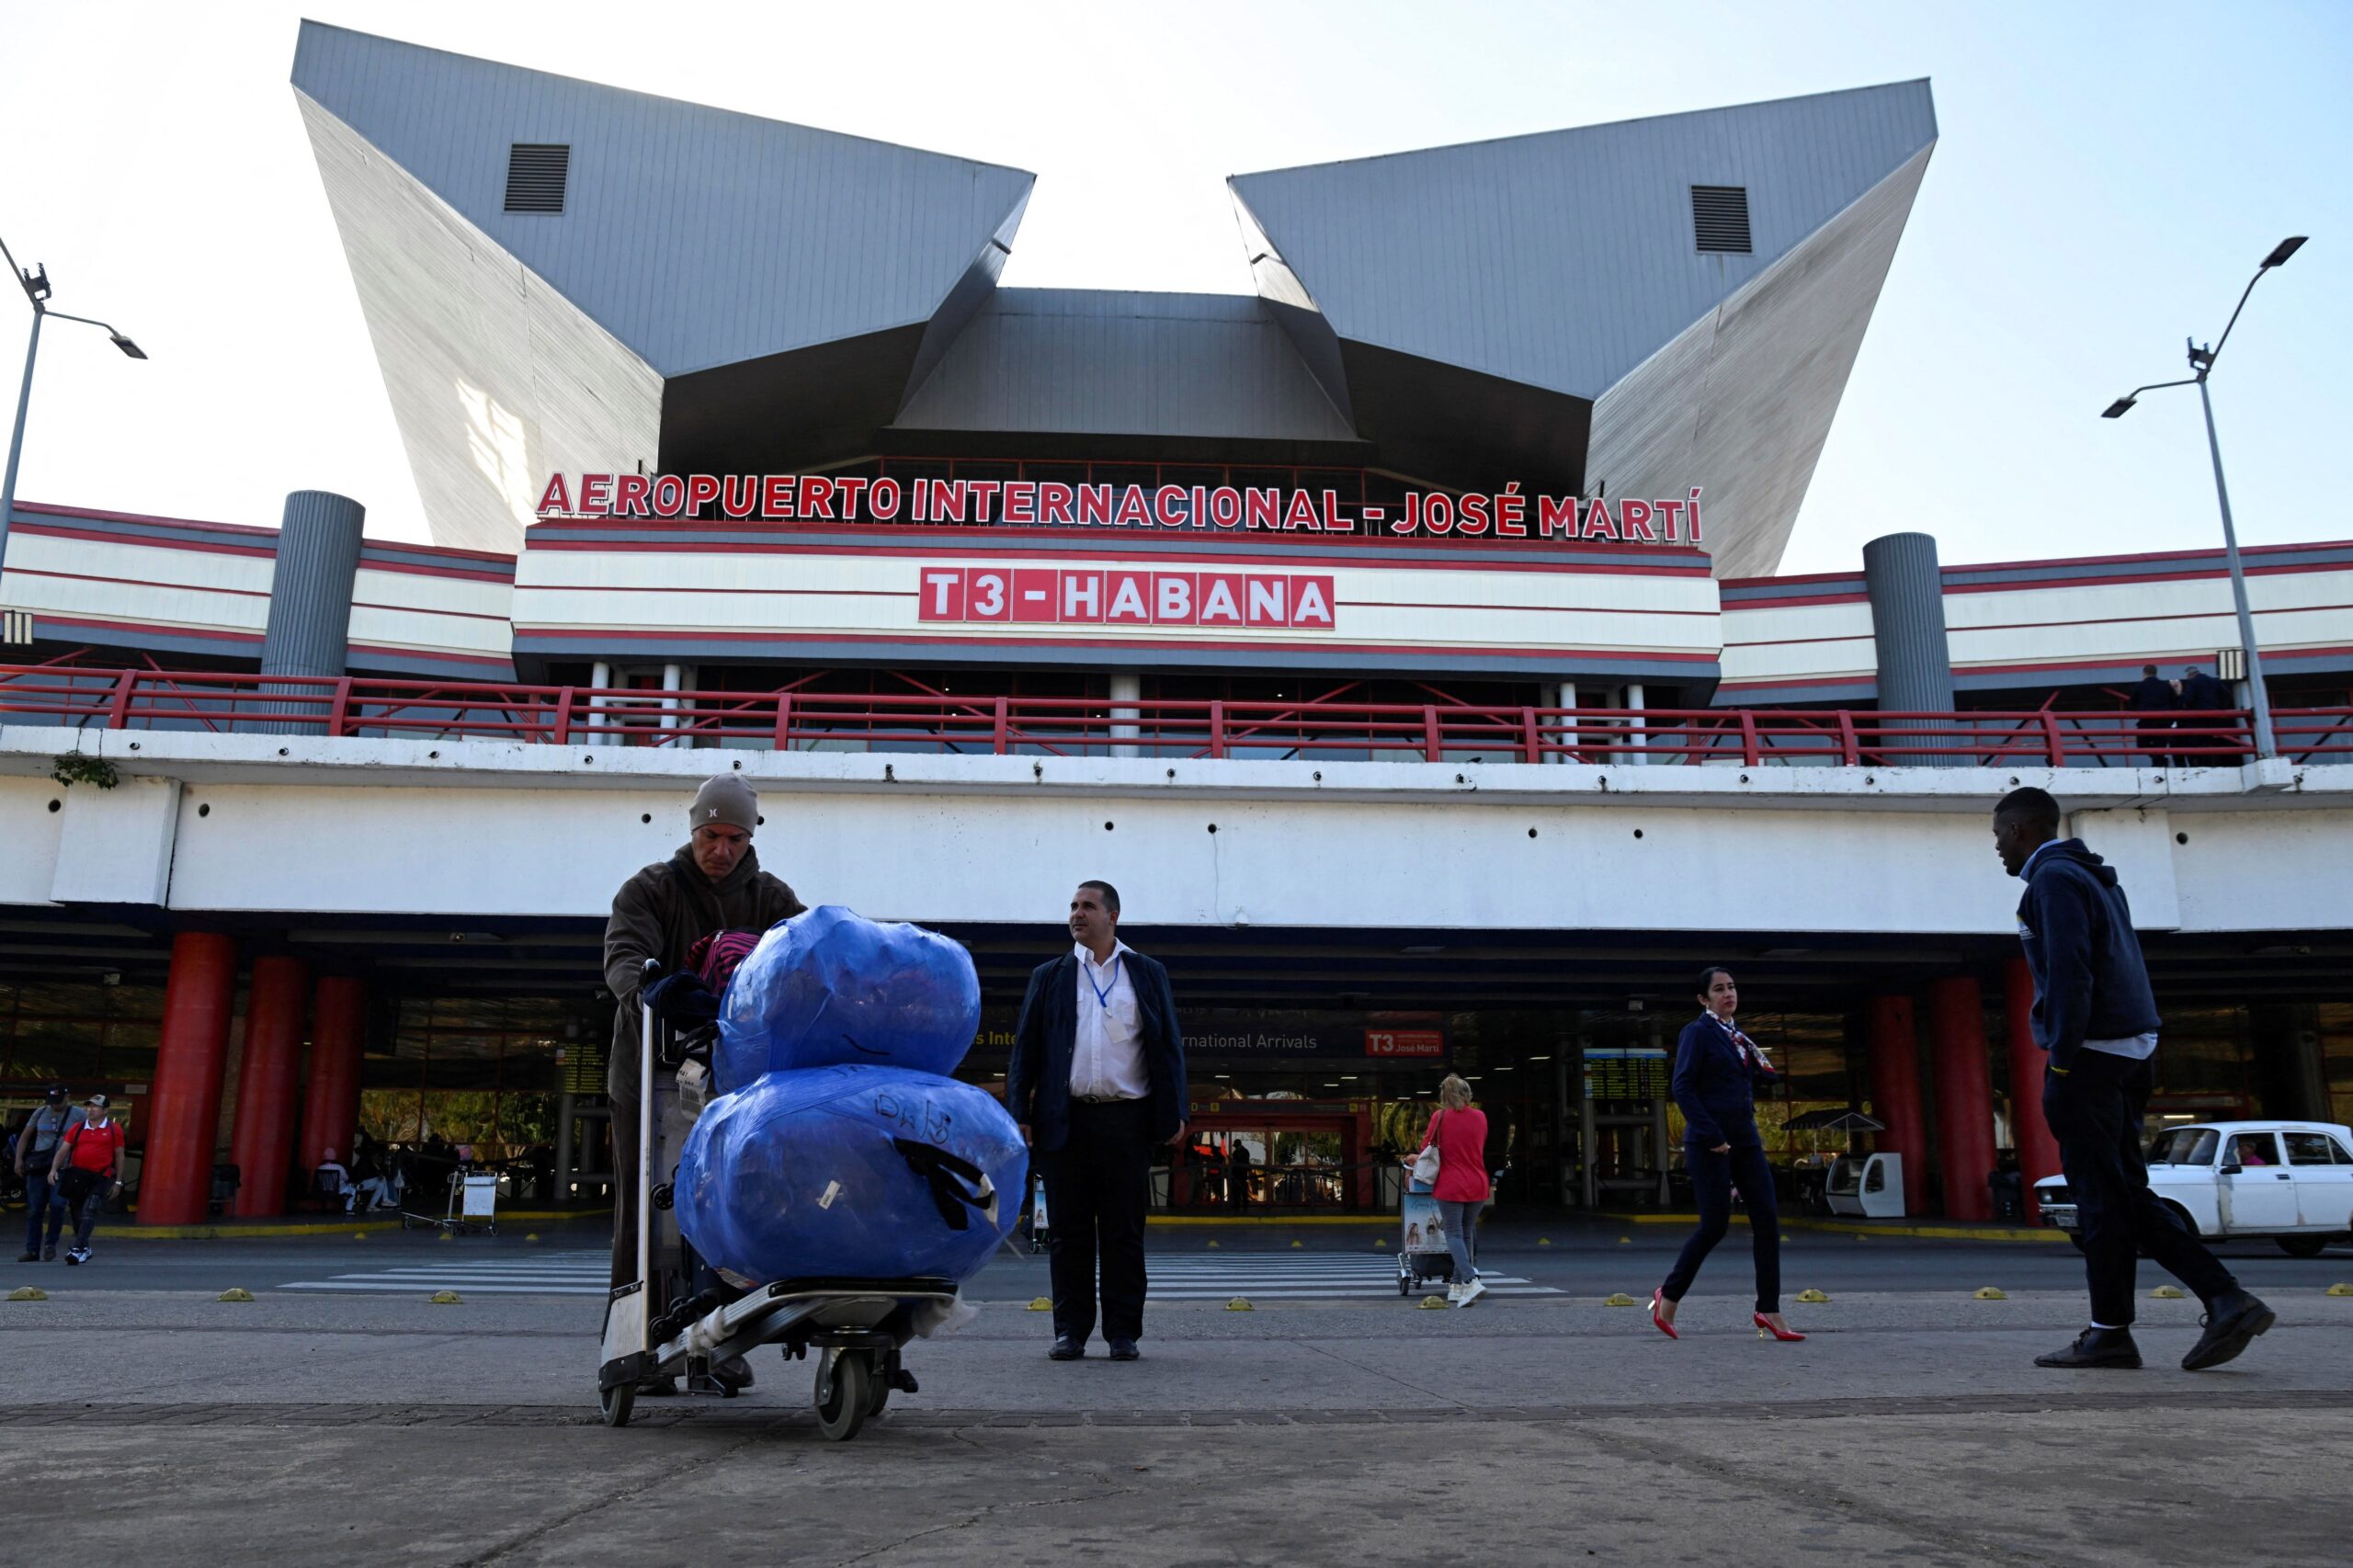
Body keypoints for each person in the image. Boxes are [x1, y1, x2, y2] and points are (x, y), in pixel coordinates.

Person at [1994, 785, 2272, 1370]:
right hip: (2128, 1049)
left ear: (2020, 829)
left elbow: (2070, 974)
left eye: (1999, 836)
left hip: (2090, 1055)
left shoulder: (2053, 881)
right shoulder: (2093, 877)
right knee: (2119, 1193)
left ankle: (2216, 1301)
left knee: (2101, 1196)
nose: (1997, 848)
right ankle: (2124, 1328)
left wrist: (2062, 1057)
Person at [602, 775, 805, 1392]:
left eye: (734, 838)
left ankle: (720, 1337)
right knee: (647, 1206)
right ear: (693, 831)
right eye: (710, 835)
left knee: (730, 1203)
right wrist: (654, 989)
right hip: (650, 1072)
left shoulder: (773, 899)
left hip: (737, 1081)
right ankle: (633, 1339)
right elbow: (623, 958)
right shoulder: (650, 889)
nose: (721, 849)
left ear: (751, 837)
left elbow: (807, 956)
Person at [1006, 880, 1188, 1362]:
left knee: (1123, 1232)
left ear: (1113, 916)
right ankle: (1070, 1331)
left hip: (1127, 1121)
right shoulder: (1050, 976)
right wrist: (1020, 1113)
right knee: (1068, 1233)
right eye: (1072, 906)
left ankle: (1123, 1333)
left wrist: (1176, 1110)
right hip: (1064, 1120)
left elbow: (1168, 1045)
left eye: (1087, 906)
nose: (1076, 913)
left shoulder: (1146, 973)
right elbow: (1026, 1049)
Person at [1653, 967, 1802, 1342]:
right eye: (1719, 989)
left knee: (1767, 1220)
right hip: (1710, 1143)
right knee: (1715, 1225)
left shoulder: (1737, 1035)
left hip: (1746, 1140)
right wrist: (1712, 1134)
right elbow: (1682, 1087)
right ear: (1703, 999)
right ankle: (1669, 1295)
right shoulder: (1697, 1032)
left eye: (1732, 987)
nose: (1728, 994)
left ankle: (1769, 1308)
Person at [1415, 1074, 1492, 1305]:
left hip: (1451, 1183)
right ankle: (1456, 1288)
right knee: (1466, 1233)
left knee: (1454, 1234)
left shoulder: (1439, 1117)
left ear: (1444, 1096)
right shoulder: (1480, 1117)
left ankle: (1470, 1280)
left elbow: (1425, 1147)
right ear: (1467, 1094)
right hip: (1478, 1181)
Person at [50, 1094, 126, 1266]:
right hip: (77, 1176)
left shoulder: (114, 1129)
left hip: (101, 1176)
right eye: (89, 1106)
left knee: (89, 1210)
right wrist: (53, 1169)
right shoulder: (78, 1128)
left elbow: (119, 1155)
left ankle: (78, 1249)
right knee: (76, 1213)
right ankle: (84, 1247)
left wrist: (118, 1182)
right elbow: (63, 1150)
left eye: (95, 1106)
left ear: (105, 1110)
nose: (90, 1110)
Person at [15, 1085, 83, 1262]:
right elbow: (25, 1136)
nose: (55, 1105)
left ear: (67, 1097)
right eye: (52, 1102)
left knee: (58, 1205)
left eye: (58, 1101)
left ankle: (50, 1244)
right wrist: (18, 1159)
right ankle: (32, 1250)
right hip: (39, 1168)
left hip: (63, 1168)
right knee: (35, 1209)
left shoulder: (78, 1114)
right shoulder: (40, 1112)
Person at [2173, 664, 2233, 765]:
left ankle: (2201, 763)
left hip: (2198, 719)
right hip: (2213, 717)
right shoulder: (2214, 681)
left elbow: (2188, 700)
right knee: (2211, 742)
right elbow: (2226, 695)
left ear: (2189, 675)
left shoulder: (2193, 682)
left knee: (2197, 743)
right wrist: (2220, 708)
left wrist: (2180, 694)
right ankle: (2212, 763)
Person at [2127, 664, 2177, 767]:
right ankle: (2160, 762)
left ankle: (2160, 762)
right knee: (2160, 746)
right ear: (2156, 673)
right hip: (2164, 721)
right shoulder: (2165, 685)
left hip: (2146, 721)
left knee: (2142, 744)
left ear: (2144, 673)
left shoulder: (2139, 686)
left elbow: (2132, 703)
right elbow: (2174, 702)